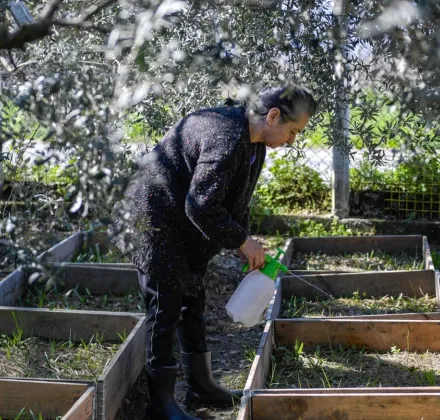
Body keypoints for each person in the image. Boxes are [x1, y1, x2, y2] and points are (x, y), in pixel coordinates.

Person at [110, 86, 317, 420]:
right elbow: (201, 204)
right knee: (164, 310)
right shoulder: (226, 137)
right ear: (274, 116)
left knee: (192, 299)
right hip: (153, 220)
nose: (292, 140)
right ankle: (159, 405)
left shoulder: (253, 142)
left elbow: (235, 200)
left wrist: (243, 241)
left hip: (180, 222)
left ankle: (200, 385)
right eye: (293, 132)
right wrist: (241, 241)